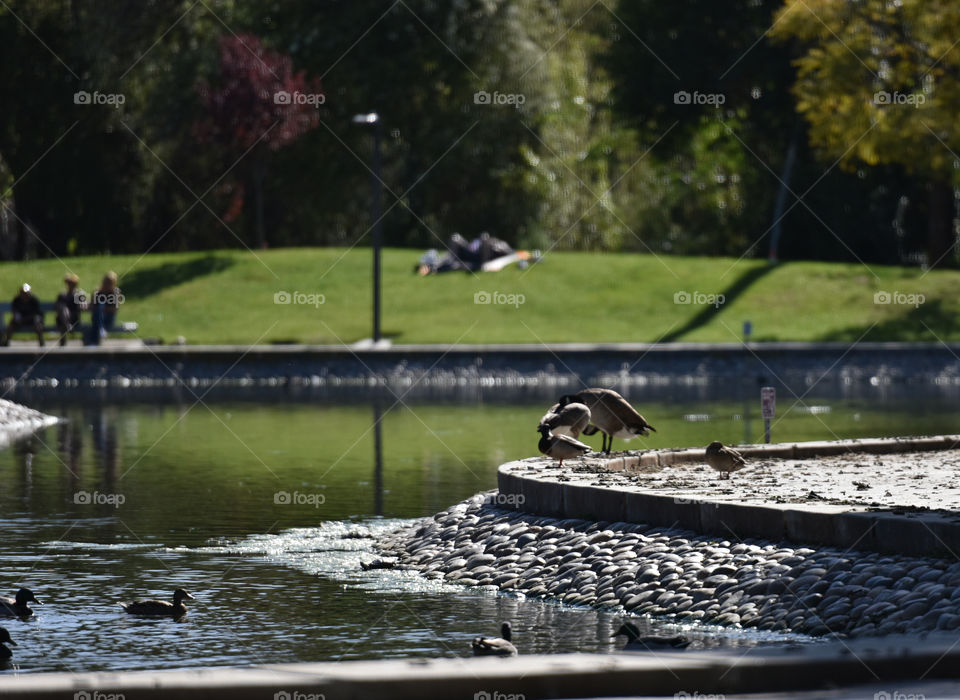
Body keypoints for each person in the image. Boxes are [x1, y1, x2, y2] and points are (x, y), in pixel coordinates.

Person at [85, 271, 122, 346]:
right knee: (99, 311)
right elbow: (91, 306)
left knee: (100, 307)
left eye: (110, 283)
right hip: (96, 318)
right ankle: (100, 330)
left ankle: (93, 342)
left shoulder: (115, 293)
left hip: (108, 319)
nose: (107, 284)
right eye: (106, 282)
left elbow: (114, 309)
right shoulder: (97, 293)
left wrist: (102, 309)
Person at [55, 273, 87, 346]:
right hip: (61, 320)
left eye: (73, 284)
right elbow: (56, 306)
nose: (70, 285)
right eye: (69, 283)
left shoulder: (78, 294)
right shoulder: (62, 295)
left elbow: (83, 305)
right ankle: (67, 325)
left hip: (74, 320)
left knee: (64, 314)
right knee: (63, 309)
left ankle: (67, 325)